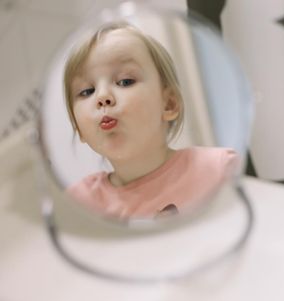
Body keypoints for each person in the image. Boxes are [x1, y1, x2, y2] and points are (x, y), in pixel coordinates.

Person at [64, 22, 238, 219]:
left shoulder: (218, 170)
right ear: (78, 127)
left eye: (125, 81)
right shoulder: (77, 204)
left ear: (168, 105)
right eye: (87, 91)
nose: (102, 97)